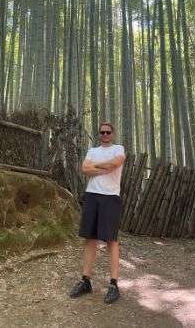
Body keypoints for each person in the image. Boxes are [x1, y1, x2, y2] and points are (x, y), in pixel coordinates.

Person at [69, 122, 127, 304]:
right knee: (90, 238)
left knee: (111, 240)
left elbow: (116, 163)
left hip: (110, 197)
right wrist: (106, 167)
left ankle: (113, 284)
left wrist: (96, 167)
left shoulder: (119, 148)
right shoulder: (92, 151)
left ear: (113, 133)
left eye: (108, 132)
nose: (105, 134)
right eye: (102, 132)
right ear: (99, 134)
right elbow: (85, 169)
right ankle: (85, 281)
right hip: (92, 196)